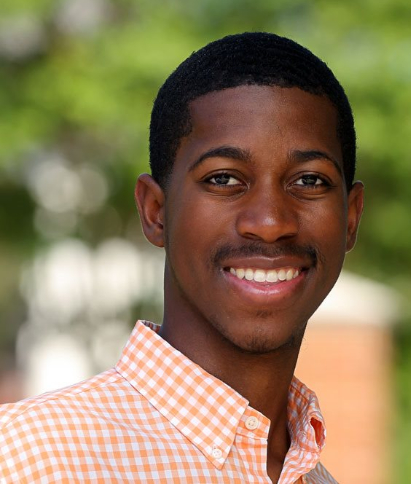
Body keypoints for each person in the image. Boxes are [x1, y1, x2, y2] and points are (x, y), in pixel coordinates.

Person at [0, 32, 363, 483]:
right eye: (224, 178)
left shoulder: (314, 475)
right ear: (155, 212)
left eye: (309, 181)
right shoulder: (26, 459)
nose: (270, 222)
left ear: (350, 218)